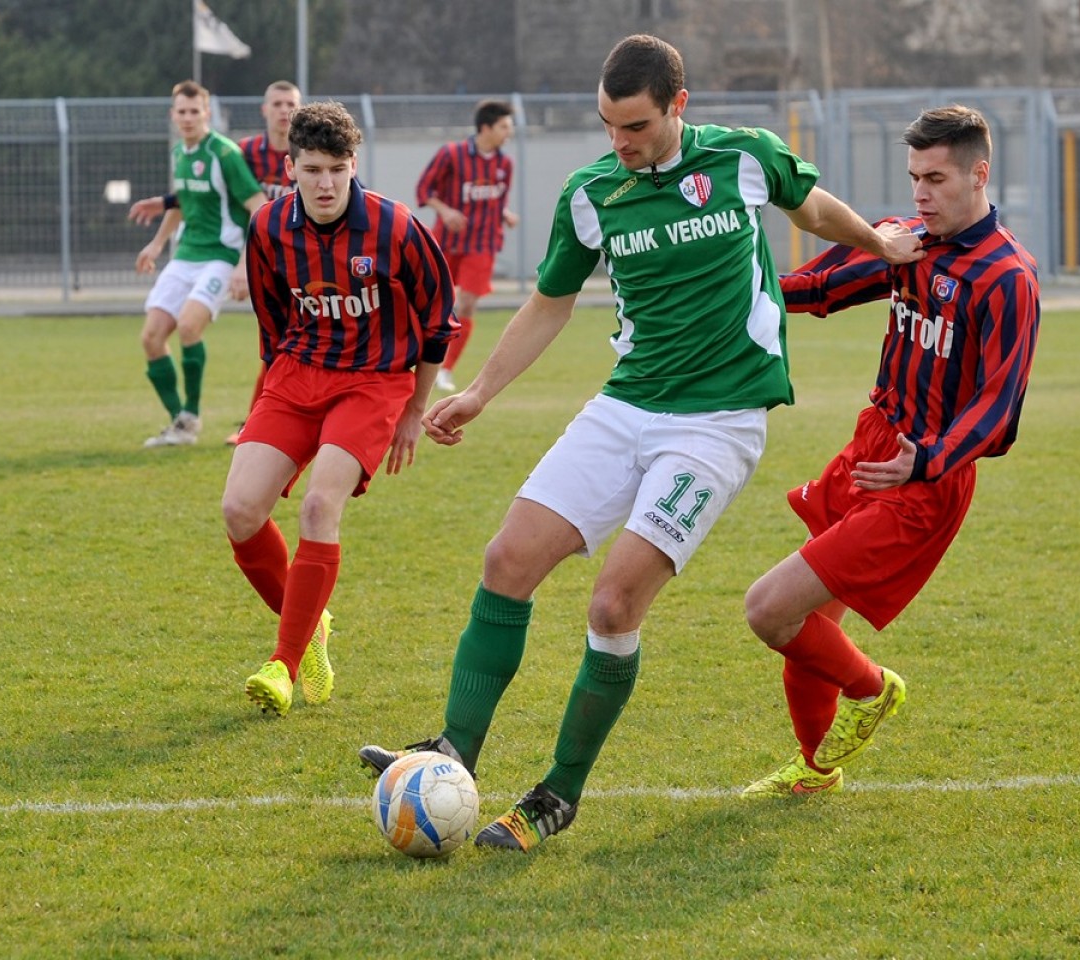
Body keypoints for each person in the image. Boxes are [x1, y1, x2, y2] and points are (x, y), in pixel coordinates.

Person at [358, 33, 922, 851]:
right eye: (608, 126)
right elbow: (550, 301)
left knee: (614, 603)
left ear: (678, 108)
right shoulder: (593, 192)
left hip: (718, 422)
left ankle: (559, 792)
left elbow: (813, 209)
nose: (619, 144)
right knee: (507, 560)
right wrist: (478, 391)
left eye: (636, 128)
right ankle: (453, 754)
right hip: (626, 404)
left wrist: (877, 242)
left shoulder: (743, 157)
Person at [740, 105, 1041, 797]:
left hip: (924, 479)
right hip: (871, 447)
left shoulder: (1006, 277)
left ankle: (873, 689)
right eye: (914, 178)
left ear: (979, 174)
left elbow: (1000, 412)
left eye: (935, 178)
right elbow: (814, 289)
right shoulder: (907, 242)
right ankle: (814, 770)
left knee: (770, 609)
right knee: (809, 623)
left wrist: (926, 459)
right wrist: (729, 295)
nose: (921, 194)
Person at [222, 100, 457, 717]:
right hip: (296, 377)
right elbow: (272, 330)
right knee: (240, 510)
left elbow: (438, 324)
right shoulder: (269, 229)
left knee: (320, 506)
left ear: (355, 164)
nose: (326, 183)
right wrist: (258, 413)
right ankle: (314, 623)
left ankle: (285, 663)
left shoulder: (396, 227)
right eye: (312, 170)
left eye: (337, 168)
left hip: (373, 383)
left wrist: (415, 408)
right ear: (291, 167)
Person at [132, 81, 303, 445]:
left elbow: (257, 205)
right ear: (173, 115)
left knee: (190, 327)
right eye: (182, 111)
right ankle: (182, 421)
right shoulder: (180, 153)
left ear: (207, 113)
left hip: (221, 255)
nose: (189, 117)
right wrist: (156, 243)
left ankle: (193, 420)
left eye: (195, 111)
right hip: (186, 254)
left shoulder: (225, 153)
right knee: (151, 337)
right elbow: (184, 203)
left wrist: (243, 263)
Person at [416, 99, 520, 392]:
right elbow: (424, 190)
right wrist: (445, 211)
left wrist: (504, 214)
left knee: (468, 305)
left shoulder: (505, 164)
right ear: (486, 127)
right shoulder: (451, 154)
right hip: (447, 244)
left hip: (482, 244)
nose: (508, 133)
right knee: (433, 303)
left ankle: (445, 370)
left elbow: (496, 199)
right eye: (504, 126)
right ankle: (420, 361)